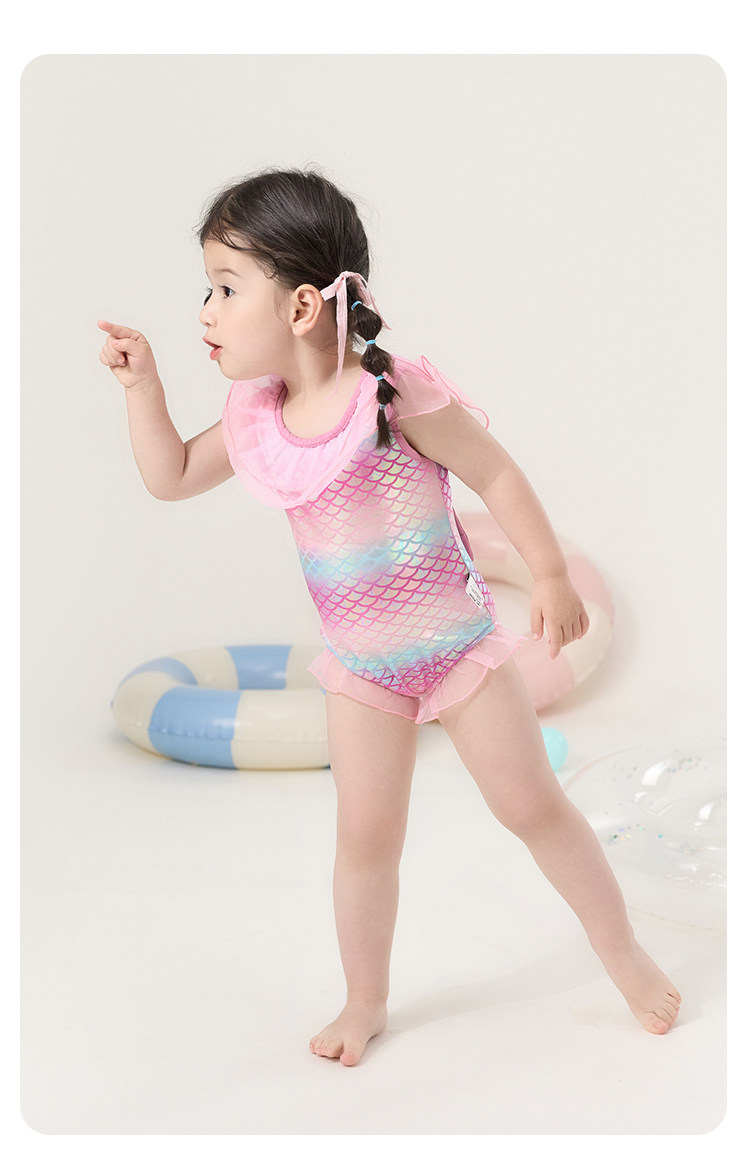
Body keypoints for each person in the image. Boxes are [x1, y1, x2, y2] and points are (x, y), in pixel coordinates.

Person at [97, 165, 681, 1067]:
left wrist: (550, 573)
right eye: (206, 290)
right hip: (362, 668)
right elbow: (170, 475)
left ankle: (626, 956)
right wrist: (143, 389)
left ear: (301, 306)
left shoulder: (388, 392)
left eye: (224, 288)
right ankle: (363, 999)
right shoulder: (261, 419)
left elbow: (494, 472)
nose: (205, 311)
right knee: (365, 841)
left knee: (531, 806)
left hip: (458, 652)